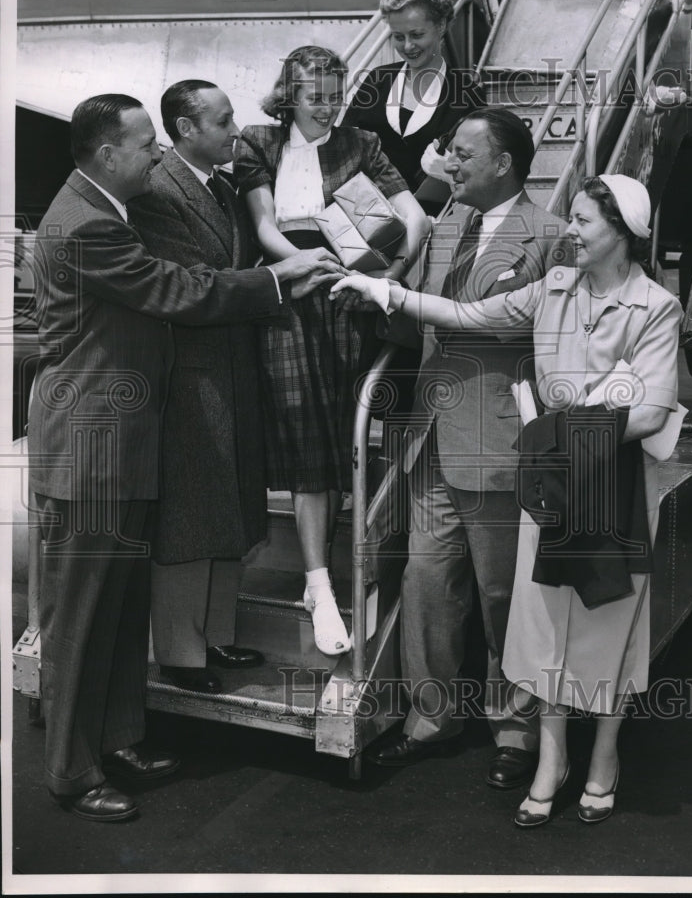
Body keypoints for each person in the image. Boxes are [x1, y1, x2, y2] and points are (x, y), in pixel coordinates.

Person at [332, 173, 681, 826]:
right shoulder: (552, 288)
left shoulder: (655, 307)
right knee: (545, 627)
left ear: (621, 232)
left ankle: (603, 752)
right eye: (570, 218)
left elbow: (652, 408)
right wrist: (388, 292)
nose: (568, 231)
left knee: (607, 629)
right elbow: (470, 316)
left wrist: (570, 412)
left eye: (582, 221)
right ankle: (552, 759)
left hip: (611, 484)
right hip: (550, 479)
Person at [29, 93, 342, 822]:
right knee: (78, 620)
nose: (156, 155)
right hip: (91, 455)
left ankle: (119, 738)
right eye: (146, 145)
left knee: (120, 608)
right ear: (109, 154)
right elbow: (173, 288)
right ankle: (72, 771)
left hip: (125, 448)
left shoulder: (106, 211)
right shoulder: (86, 227)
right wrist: (277, 278)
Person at [342, 107, 570, 790]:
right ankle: (431, 718)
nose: (449, 162)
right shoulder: (443, 229)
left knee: (503, 594)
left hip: (499, 442)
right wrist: (376, 296)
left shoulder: (550, 237)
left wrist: (407, 303)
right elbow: (420, 324)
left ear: (502, 162)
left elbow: (523, 336)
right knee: (427, 583)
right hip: (431, 437)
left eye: (462, 153)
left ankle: (515, 728)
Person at [233, 45, 429, 656]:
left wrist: (389, 276)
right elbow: (264, 225)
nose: (326, 107)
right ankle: (318, 581)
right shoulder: (258, 141)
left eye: (334, 94)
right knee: (306, 441)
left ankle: (328, 577)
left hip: (348, 300)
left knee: (342, 439)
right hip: (290, 300)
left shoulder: (361, 144)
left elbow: (414, 215)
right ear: (289, 92)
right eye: (314, 95)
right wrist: (295, 265)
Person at [128, 80, 267, 695]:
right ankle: (183, 656)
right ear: (187, 129)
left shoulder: (223, 184)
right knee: (191, 514)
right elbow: (192, 283)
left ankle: (216, 635)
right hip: (191, 373)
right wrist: (268, 283)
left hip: (229, 364)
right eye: (224, 120)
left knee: (226, 503)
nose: (235, 130)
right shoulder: (159, 192)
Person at [342, 0, 486, 210]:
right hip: (370, 218)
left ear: (441, 26)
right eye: (398, 37)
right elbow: (344, 150)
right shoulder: (377, 81)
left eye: (417, 35)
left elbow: (482, 174)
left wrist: (447, 173)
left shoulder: (467, 93)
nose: (407, 46)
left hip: (435, 221)